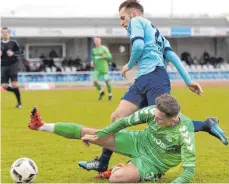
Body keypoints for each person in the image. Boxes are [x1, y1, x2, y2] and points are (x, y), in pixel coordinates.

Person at [78, 0, 228, 174]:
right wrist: (188, 81)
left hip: (155, 78)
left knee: (163, 121)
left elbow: (139, 46)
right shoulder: (158, 35)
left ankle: (205, 125)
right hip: (143, 80)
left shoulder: (137, 22)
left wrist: (129, 64)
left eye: (122, 18)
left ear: (133, 13)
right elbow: (173, 57)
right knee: (117, 117)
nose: (122, 23)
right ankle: (103, 162)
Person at [28, 94, 196, 183]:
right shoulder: (153, 111)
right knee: (89, 132)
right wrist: (99, 135)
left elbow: (189, 170)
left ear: (173, 120)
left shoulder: (184, 132)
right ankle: (42, 125)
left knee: (117, 179)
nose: (155, 119)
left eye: (159, 119)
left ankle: (121, 169)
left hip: (154, 163)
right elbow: (123, 122)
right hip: (138, 141)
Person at [1, 27, 23, 108]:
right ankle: (16, 91)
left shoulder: (13, 43)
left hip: (13, 65)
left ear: (8, 33)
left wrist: (13, 53)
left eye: (6, 32)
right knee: (4, 86)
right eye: (3, 32)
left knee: (14, 84)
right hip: (3, 66)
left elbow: (20, 52)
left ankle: (19, 103)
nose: (4, 34)